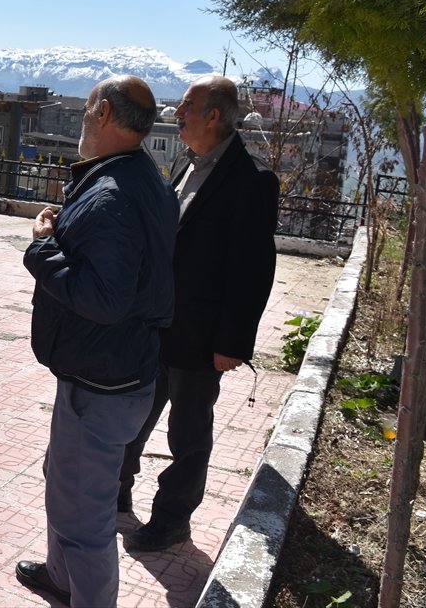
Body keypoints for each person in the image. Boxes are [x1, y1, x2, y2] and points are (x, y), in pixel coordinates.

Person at [15, 76, 178, 607]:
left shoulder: (113, 193)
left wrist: (41, 248)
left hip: (103, 382)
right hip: (109, 371)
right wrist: (68, 230)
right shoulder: (138, 178)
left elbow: (104, 299)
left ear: (103, 112)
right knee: (64, 485)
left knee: (84, 513)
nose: (83, 120)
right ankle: (63, 579)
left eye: (86, 111)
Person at [121, 75, 280, 552]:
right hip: (159, 325)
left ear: (214, 115)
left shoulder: (251, 182)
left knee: (188, 435)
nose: (176, 112)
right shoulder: (186, 166)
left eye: (187, 105)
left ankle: (171, 519)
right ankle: (115, 492)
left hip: (200, 336)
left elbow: (253, 270)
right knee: (133, 415)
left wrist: (232, 343)